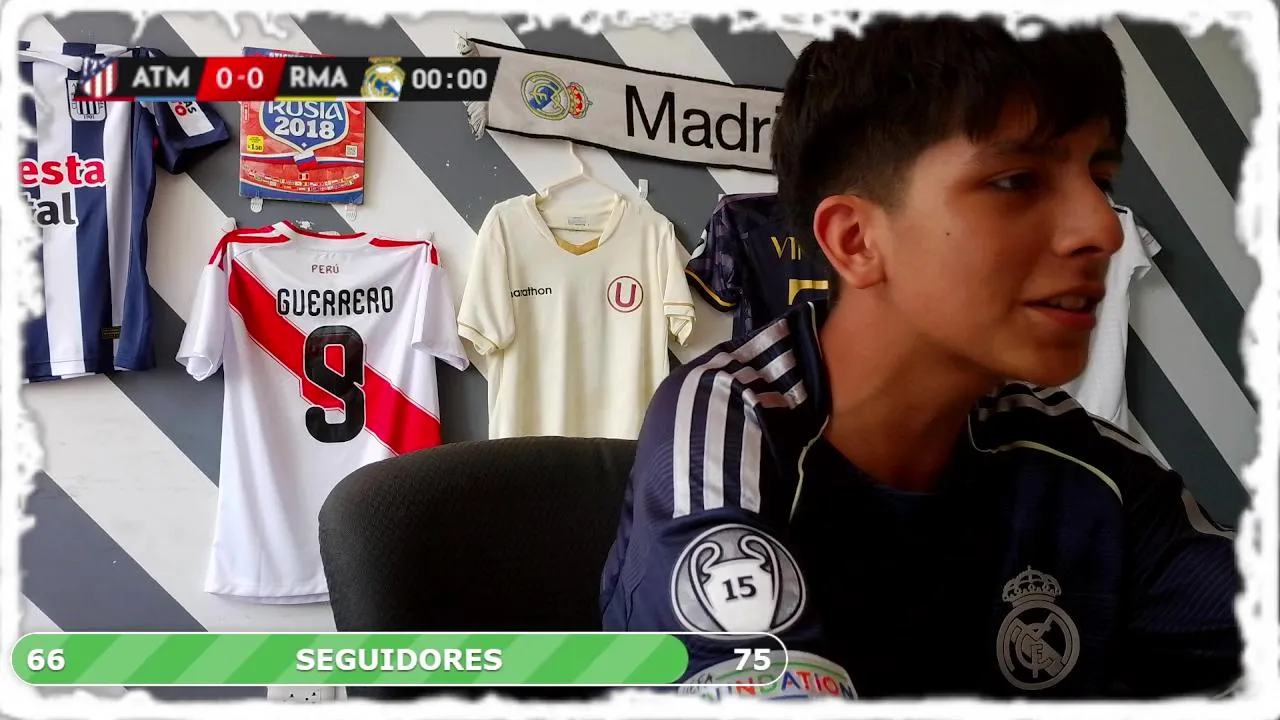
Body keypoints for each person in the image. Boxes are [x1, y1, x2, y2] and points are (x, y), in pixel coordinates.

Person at [598, 15, 1242, 700]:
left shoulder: (1085, 466)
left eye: (1100, 178)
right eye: (1018, 181)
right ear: (855, 241)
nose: (1104, 229)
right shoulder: (729, 421)